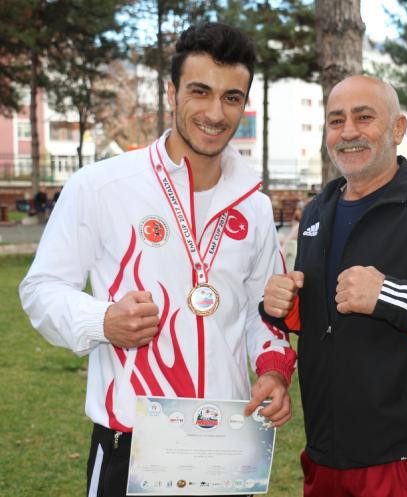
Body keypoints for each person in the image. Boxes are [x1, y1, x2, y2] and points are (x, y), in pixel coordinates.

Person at [20, 22, 296, 497]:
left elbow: (261, 310)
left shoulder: (254, 205)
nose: (215, 113)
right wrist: (103, 320)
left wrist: (272, 370)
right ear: (171, 93)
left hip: (226, 445)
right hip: (133, 446)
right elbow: (40, 289)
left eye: (231, 97)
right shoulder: (100, 186)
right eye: (200, 91)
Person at [261, 75, 407, 497]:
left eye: (364, 117)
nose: (348, 131)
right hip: (326, 454)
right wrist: (286, 305)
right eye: (336, 121)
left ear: (398, 128)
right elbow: (327, 317)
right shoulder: (318, 210)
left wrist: (388, 295)